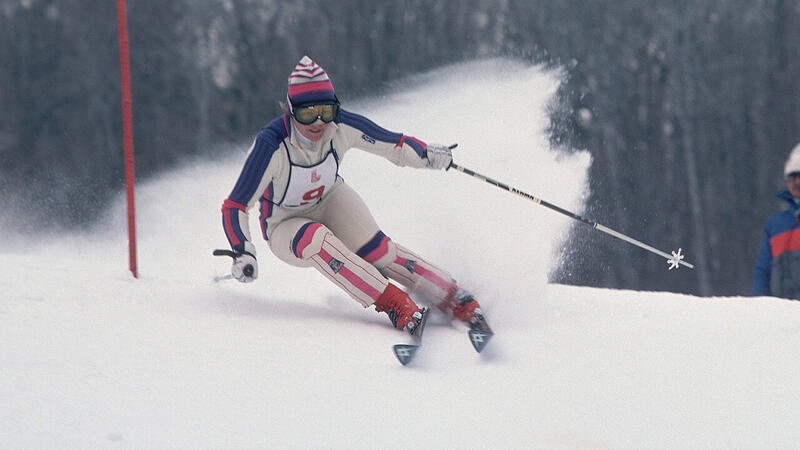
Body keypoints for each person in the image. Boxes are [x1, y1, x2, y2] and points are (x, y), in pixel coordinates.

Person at [220, 56, 487, 333]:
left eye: (326, 109)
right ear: (291, 111)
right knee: (317, 240)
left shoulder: (341, 125)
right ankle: (397, 304)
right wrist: (243, 250)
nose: (319, 122)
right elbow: (236, 205)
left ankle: (453, 296)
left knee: (377, 250)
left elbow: (393, 144)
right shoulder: (271, 145)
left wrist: (428, 155)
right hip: (284, 224)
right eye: (307, 114)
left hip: (329, 199)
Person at [751, 142, 800, 298]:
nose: (797, 182)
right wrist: (757, 307)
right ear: (786, 181)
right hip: (782, 314)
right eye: (793, 176)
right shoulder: (775, 225)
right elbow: (763, 272)